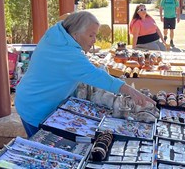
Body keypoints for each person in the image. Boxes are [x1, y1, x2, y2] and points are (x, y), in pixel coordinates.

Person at [15, 11, 155, 137]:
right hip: (36, 107)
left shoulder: (57, 34)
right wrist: (130, 90)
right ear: (75, 34)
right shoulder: (68, 55)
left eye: (95, 35)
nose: (94, 40)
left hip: (29, 97)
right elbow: (97, 76)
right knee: (43, 147)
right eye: (90, 35)